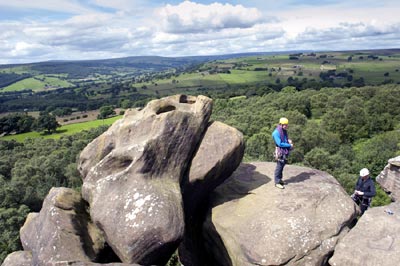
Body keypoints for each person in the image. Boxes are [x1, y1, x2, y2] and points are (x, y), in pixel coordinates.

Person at [272, 117, 293, 189]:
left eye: (287, 125)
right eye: (285, 125)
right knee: (279, 166)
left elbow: (285, 139)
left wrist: (288, 140)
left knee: (282, 166)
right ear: (281, 124)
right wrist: (289, 145)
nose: (286, 126)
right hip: (280, 151)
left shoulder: (284, 131)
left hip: (284, 151)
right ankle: (277, 182)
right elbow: (279, 143)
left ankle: (279, 179)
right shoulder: (276, 133)